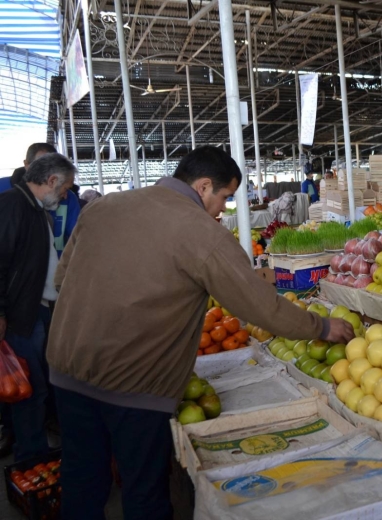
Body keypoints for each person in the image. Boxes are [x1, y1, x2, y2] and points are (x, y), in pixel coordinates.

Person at [46, 146, 354, 520]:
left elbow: (62, 279)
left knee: (82, 477)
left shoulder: (102, 208)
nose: (223, 209)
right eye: (224, 197)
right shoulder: (201, 232)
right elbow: (258, 305)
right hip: (133, 384)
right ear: (204, 186)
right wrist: (321, 326)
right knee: (144, 491)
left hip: (66, 368)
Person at [0, 153, 77, 462]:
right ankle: (31, 457)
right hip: (21, 315)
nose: (64, 196)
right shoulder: (12, 206)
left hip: (38, 309)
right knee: (28, 389)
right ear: (51, 181)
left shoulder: (34, 208)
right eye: (64, 189)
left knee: (40, 385)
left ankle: (36, 450)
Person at [0, 143, 81, 258]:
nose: (48, 172)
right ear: (27, 165)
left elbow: (77, 237)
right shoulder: (8, 199)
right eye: (42, 165)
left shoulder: (68, 198)